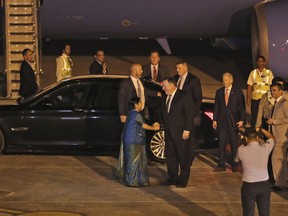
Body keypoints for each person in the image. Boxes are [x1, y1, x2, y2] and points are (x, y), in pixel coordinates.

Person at [117, 97, 160, 187]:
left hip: (133, 140)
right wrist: (154, 128)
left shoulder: (130, 114)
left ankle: (139, 180)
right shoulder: (136, 114)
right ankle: (132, 181)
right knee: (133, 161)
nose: (141, 104)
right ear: (136, 104)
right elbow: (144, 126)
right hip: (133, 140)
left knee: (137, 161)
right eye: (140, 103)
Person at [161, 77, 195, 188]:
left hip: (181, 133)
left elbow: (190, 114)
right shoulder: (165, 97)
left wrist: (187, 129)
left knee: (183, 157)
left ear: (172, 85)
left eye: (164, 86)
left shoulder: (184, 96)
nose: (163, 88)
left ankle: (183, 180)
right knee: (171, 157)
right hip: (169, 133)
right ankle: (172, 178)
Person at [235, 127, 274, 216]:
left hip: (249, 186)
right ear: (257, 137)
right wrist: (261, 129)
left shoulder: (241, 150)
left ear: (246, 138)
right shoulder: (265, 148)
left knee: (248, 213)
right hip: (264, 185)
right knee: (264, 213)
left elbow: (237, 164)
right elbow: (271, 138)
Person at [213, 73, 245, 172]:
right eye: (223, 80)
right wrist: (214, 119)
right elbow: (216, 107)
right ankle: (221, 164)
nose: (224, 82)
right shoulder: (219, 92)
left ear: (231, 80)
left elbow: (242, 107)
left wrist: (242, 120)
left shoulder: (237, 91)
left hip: (233, 121)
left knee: (234, 143)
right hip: (221, 121)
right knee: (221, 143)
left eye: (226, 80)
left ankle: (235, 164)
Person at [174, 61, 203, 163]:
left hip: (188, 113)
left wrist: (193, 113)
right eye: (176, 68)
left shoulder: (193, 80)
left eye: (179, 68)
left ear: (185, 67)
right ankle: (179, 157)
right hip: (177, 114)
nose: (177, 70)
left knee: (189, 138)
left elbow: (198, 98)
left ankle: (188, 158)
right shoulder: (175, 78)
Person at [266, 82, 288, 192]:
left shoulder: (284, 103)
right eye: (271, 90)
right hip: (275, 135)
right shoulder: (275, 103)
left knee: (276, 158)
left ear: (281, 91)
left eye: (274, 90)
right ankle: (281, 182)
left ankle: (280, 183)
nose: (272, 92)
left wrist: (275, 121)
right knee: (280, 159)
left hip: (282, 136)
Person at [142, 51, 170, 122]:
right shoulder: (143, 68)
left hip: (160, 101)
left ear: (159, 58)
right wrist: (153, 93)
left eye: (156, 57)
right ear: (149, 58)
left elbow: (168, 83)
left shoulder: (165, 69)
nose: (154, 59)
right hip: (147, 99)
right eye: (152, 57)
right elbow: (141, 85)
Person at [246, 56, 274, 127]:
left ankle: (264, 131)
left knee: (265, 116)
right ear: (256, 62)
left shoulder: (269, 72)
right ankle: (253, 132)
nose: (260, 63)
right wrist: (248, 99)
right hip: (255, 98)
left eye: (262, 61)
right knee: (254, 116)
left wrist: (272, 98)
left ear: (264, 62)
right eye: (259, 61)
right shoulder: (253, 73)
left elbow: (272, 86)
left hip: (266, 99)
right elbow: (249, 86)